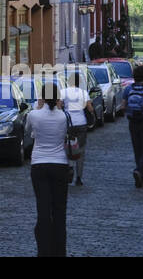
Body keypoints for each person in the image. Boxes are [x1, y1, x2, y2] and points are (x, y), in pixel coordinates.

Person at [24, 81, 70, 256]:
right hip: (60, 164)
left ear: (42, 97)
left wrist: (38, 107)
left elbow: (29, 132)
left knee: (43, 209)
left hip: (39, 164)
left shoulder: (34, 115)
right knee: (59, 210)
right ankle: (59, 250)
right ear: (57, 97)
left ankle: (44, 250)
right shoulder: (63, 116)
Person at [61, 73, 94, 186]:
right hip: (81, 123)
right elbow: (90, 109)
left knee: (68, 148)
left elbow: (59, 106)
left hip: (68, 124)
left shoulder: (63, 92)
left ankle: (70, 167)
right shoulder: (83, 93)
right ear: (78, 82)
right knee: (81, 150)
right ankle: (79, 177)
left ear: (68, 82)